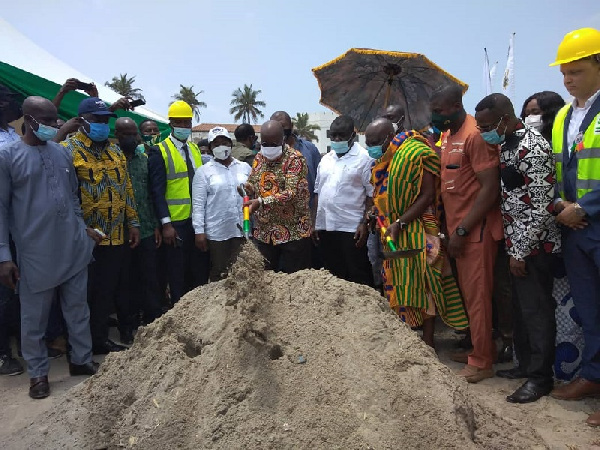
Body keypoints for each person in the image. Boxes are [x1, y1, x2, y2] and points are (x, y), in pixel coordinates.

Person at [0, 97, 100, 399]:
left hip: (72, 244)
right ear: (28, 120)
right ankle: (38, 374)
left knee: (78, 310)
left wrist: (83, 230)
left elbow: (72, 198)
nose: (50, 125)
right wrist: (4, 256)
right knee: (34, 319)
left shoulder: (60, 153)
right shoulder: (7, 157)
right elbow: (1, 210)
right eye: (44, 120)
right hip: (35, 251)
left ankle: (81, 360)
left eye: (53, 119)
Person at [475, 93, 561, 403]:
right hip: (515, 243)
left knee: (537, 312)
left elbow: (542, 207)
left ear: (505, 118)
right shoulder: (505, 146)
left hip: (536, 246)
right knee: (523, 311)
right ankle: (525, 365)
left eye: (487, 125)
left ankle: (540, 378)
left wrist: (520, 251)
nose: (484, 131)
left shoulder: (532, 147)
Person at [366, 117, 468, 348]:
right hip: (391, 232)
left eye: (374, 141)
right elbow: (384, 195)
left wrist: (401, 223)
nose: (370, 146)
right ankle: (406, 336)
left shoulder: (415, 152)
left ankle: (429, 341)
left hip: (419, 229)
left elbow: (427, 195)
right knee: (398, 280)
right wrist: (376, 212)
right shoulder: (385, 161)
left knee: (425, 282)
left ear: (388, 138)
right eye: (367, 141)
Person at [430, 84, 504, 383]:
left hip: (475, 231)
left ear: (455, 106)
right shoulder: (449, 136)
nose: (434, 116)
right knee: (468, 296)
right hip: (457, 231)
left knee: (478, 298)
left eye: (438, 111)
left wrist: (461, 229)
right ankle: (479, 347)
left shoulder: (475, 135)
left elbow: (490, 189)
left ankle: (482, 361)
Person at [546, 28, 600, 428]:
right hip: (573, 227)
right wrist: (563, 207)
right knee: (590, 309)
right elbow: (555, 170)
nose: (567, 80)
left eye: (576, 71)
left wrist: (585, 207)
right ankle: (594, 377)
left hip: (594, 220)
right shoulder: (564, 115)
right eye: (564, 73)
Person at [60, 97, 141, 355]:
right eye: (97, 120)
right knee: (81, 295)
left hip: (115, 236)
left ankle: (99, 339)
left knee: (106, 292)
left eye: (106, 120)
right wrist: (80, 228)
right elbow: (64, 196)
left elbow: (126, 188)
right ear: (82, 120)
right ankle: (78, 346)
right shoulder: (68, 150)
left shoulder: (116, 151)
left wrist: (133, 223)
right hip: (84, 237)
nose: (103, 125)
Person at [148, 101, 208, 304]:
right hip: (176, 225)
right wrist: (166, 224)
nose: (184, 126)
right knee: (177, 275)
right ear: (172, 123)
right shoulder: (160, 151)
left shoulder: (194, 149)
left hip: (197, 222)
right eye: (179, 122)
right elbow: (157, 191)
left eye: (187, 122)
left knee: (197, 272)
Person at [115, 118, 162, 342]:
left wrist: (155, 227)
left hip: (145, 230)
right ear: (117, 135)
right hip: (119, 234)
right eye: (126, 134)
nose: (131, 138)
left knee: (150, 278)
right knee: (126, 282)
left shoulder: (144, 161)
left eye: (134, 134)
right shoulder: (112, 160)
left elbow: (150, 196)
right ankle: (127, 327)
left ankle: (153, 323)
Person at [312, 115, 373, 286]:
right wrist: (315, 222)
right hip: (326, 227)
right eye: (334, 136)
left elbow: (371, 195)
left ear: (352, 136)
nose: (337, 139)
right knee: (333, 275)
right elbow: (318, 192)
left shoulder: (365, 159)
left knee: (357, 274)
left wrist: (364, 224)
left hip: (351, 229)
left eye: (342, 136)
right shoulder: (325, 159)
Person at [244, 120, 312, 272]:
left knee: (292, 281)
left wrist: (261, 202)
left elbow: (291, 193)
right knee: (265, 280)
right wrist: (248, 189)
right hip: (264, 233)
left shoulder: (295, 159)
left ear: (283, 140)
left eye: (273, 144)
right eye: (265, 143)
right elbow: (254, 181)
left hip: (293, 233)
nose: (268, 148)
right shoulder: (259, 158)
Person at [192, 127, 251, 281]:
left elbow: (253, 193)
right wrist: (199, 231)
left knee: (244, 271)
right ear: (211, 148)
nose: (221, 147)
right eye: (216, 144)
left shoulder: (244, 167)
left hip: (242, 229)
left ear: (230, 144)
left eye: (224, 142)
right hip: (218, 232)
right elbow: (198, 205)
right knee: (221, 272)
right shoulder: (204, 172)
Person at [0, 85, 23, 376]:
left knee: (15, 291)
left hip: (17, 223)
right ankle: (3, 353)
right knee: (3, 293)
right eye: (9, 102)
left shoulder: (10, 134)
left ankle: (17, 344)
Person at [270, 111, 321, 208]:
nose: (280, 130)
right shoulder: (266, 152)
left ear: (291, 126)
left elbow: (318, 184)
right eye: (276, 127)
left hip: (305, 213)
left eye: (283, 126)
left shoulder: (310, 149)